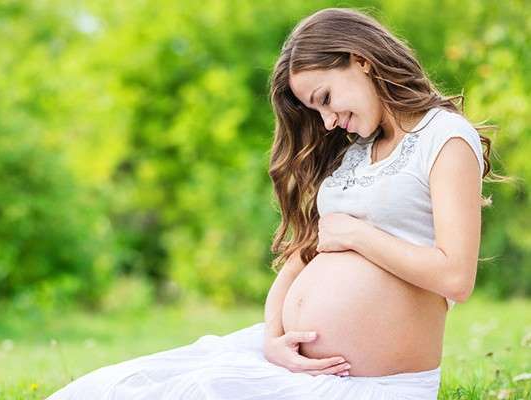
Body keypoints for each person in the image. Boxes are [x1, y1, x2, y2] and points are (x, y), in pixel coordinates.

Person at [46, 7, 499, 400]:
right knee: (127, 384)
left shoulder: (443, 138)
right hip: (293, 362)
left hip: (372, 383)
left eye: (325, 99)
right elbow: (308, 253)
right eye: (315, 111)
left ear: (361, 60)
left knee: (199, 391)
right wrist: (272, 336)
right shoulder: (359, 149)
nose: (327, 122)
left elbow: (455, 277)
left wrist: (359, 235)